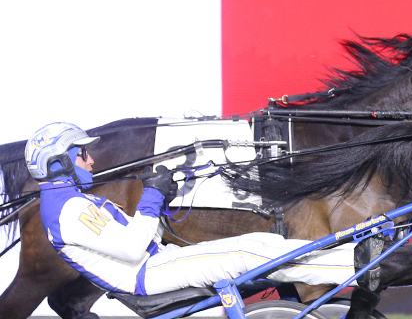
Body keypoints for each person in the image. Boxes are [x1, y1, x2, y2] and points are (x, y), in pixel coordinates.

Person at [27, 122, 361, 298]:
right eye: (82, 153)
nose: (91, 160)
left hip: (156, 263)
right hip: (149, 274)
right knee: (247, 257)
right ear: (59, 163)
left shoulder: (70, 203)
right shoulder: (67, 211)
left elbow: (135, 238)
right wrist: (152, 196)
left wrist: (163, 194)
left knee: (264, 245)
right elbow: (130, 249)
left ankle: (350, 258)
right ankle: (356, 267)